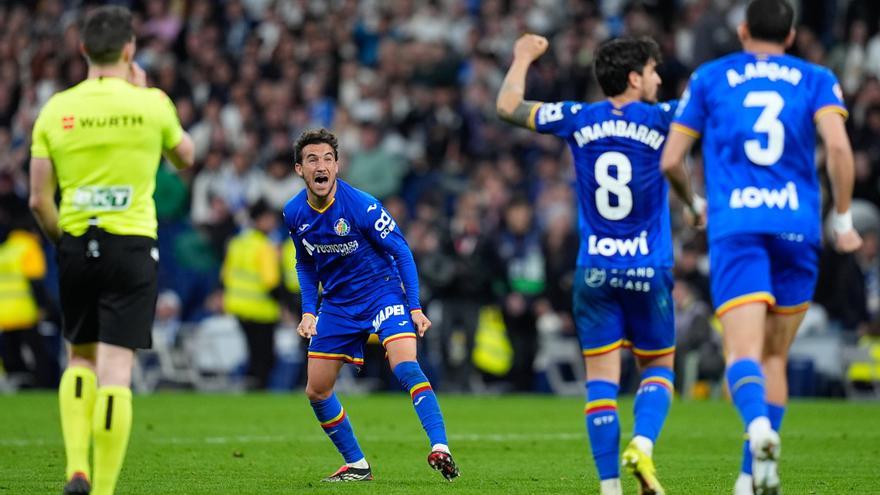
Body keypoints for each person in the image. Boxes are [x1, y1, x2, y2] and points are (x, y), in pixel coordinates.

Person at [659, 1, 862, 493]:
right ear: (791, 36)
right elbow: (837, 147)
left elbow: (670, 160)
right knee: (775, 358)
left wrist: (693, 204)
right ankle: (752, 475)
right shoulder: (816, 77)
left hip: (739, 227)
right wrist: (843, 218)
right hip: (798, 228)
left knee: (742, 353)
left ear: (744, 30)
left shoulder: (709, 77)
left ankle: (756, 429)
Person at [497, 34, 677, 495]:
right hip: (647, 268)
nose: (658, 78)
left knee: (600, 380)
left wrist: (521, 58)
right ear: (635, 78)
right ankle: (641, 442)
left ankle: (609, 487)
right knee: (657, 367)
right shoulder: (663, 118)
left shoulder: (577, 116)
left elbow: (508, 106)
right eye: (654, 70)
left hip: (594, 270)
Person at [28, 6, 194, 494]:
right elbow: (186, 157)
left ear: (82, 49)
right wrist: (145, 100)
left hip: (78, 242)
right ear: (129, 50)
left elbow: (38, 199)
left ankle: (75, 467)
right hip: (133, 245)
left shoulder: (56, 109)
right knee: (116, 369)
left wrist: (65, 240)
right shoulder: (152, 103)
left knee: (78, 357)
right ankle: (101, 490)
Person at [283, 128, 459, 482]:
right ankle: (357, 465)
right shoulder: (293, 213)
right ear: (299, 169)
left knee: (405, 364)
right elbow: (304, 263)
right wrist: (308, 310)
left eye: (328, 159)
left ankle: (441, 447)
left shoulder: (362, 205)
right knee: (316, 390)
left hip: (382, 293)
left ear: (337, 165)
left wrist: (414, 306)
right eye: (312, 159)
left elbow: (402, 251)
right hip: (338, 304)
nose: (322, 166)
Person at [221, 199, 281, 390]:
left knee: (252, 354)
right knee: (264, 357)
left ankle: (250, 386)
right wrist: (289, 306)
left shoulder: (237, 243)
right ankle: (258, 391)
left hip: (238, 306)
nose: (274, 223)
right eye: (270, 219)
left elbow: (225, 276)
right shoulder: (264, 246)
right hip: (261, 309)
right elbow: (271, 282)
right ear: (260, 220)